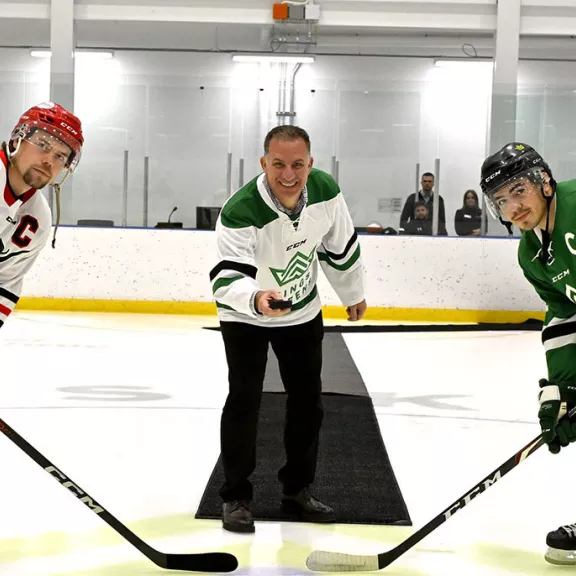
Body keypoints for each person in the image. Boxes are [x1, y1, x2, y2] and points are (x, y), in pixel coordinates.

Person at [210, 125, 366, 534]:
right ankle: (236, 496)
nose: (289, 174)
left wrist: (353, 292)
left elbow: (341, 244)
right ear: (264, 164)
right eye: (278, 164)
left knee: (307, 401)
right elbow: (227, 275)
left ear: (311, 164)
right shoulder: (240, 209)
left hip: (302, 311)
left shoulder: (326, 191)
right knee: (244, 400)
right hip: (246, 315)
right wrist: (256, 298)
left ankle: (296, 489)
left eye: (298, 163)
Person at [480, 142, 576, 566]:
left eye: (518, 190)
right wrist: (563, 386)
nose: (512, 206)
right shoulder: (531, 252)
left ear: (545, 182)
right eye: (501, 200)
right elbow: (563, 315)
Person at [0, 102, 84, 328]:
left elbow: (5, 283)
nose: (49, 160)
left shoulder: (38, 221)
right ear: (16, 140)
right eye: (42, 145)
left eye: (60, 156)